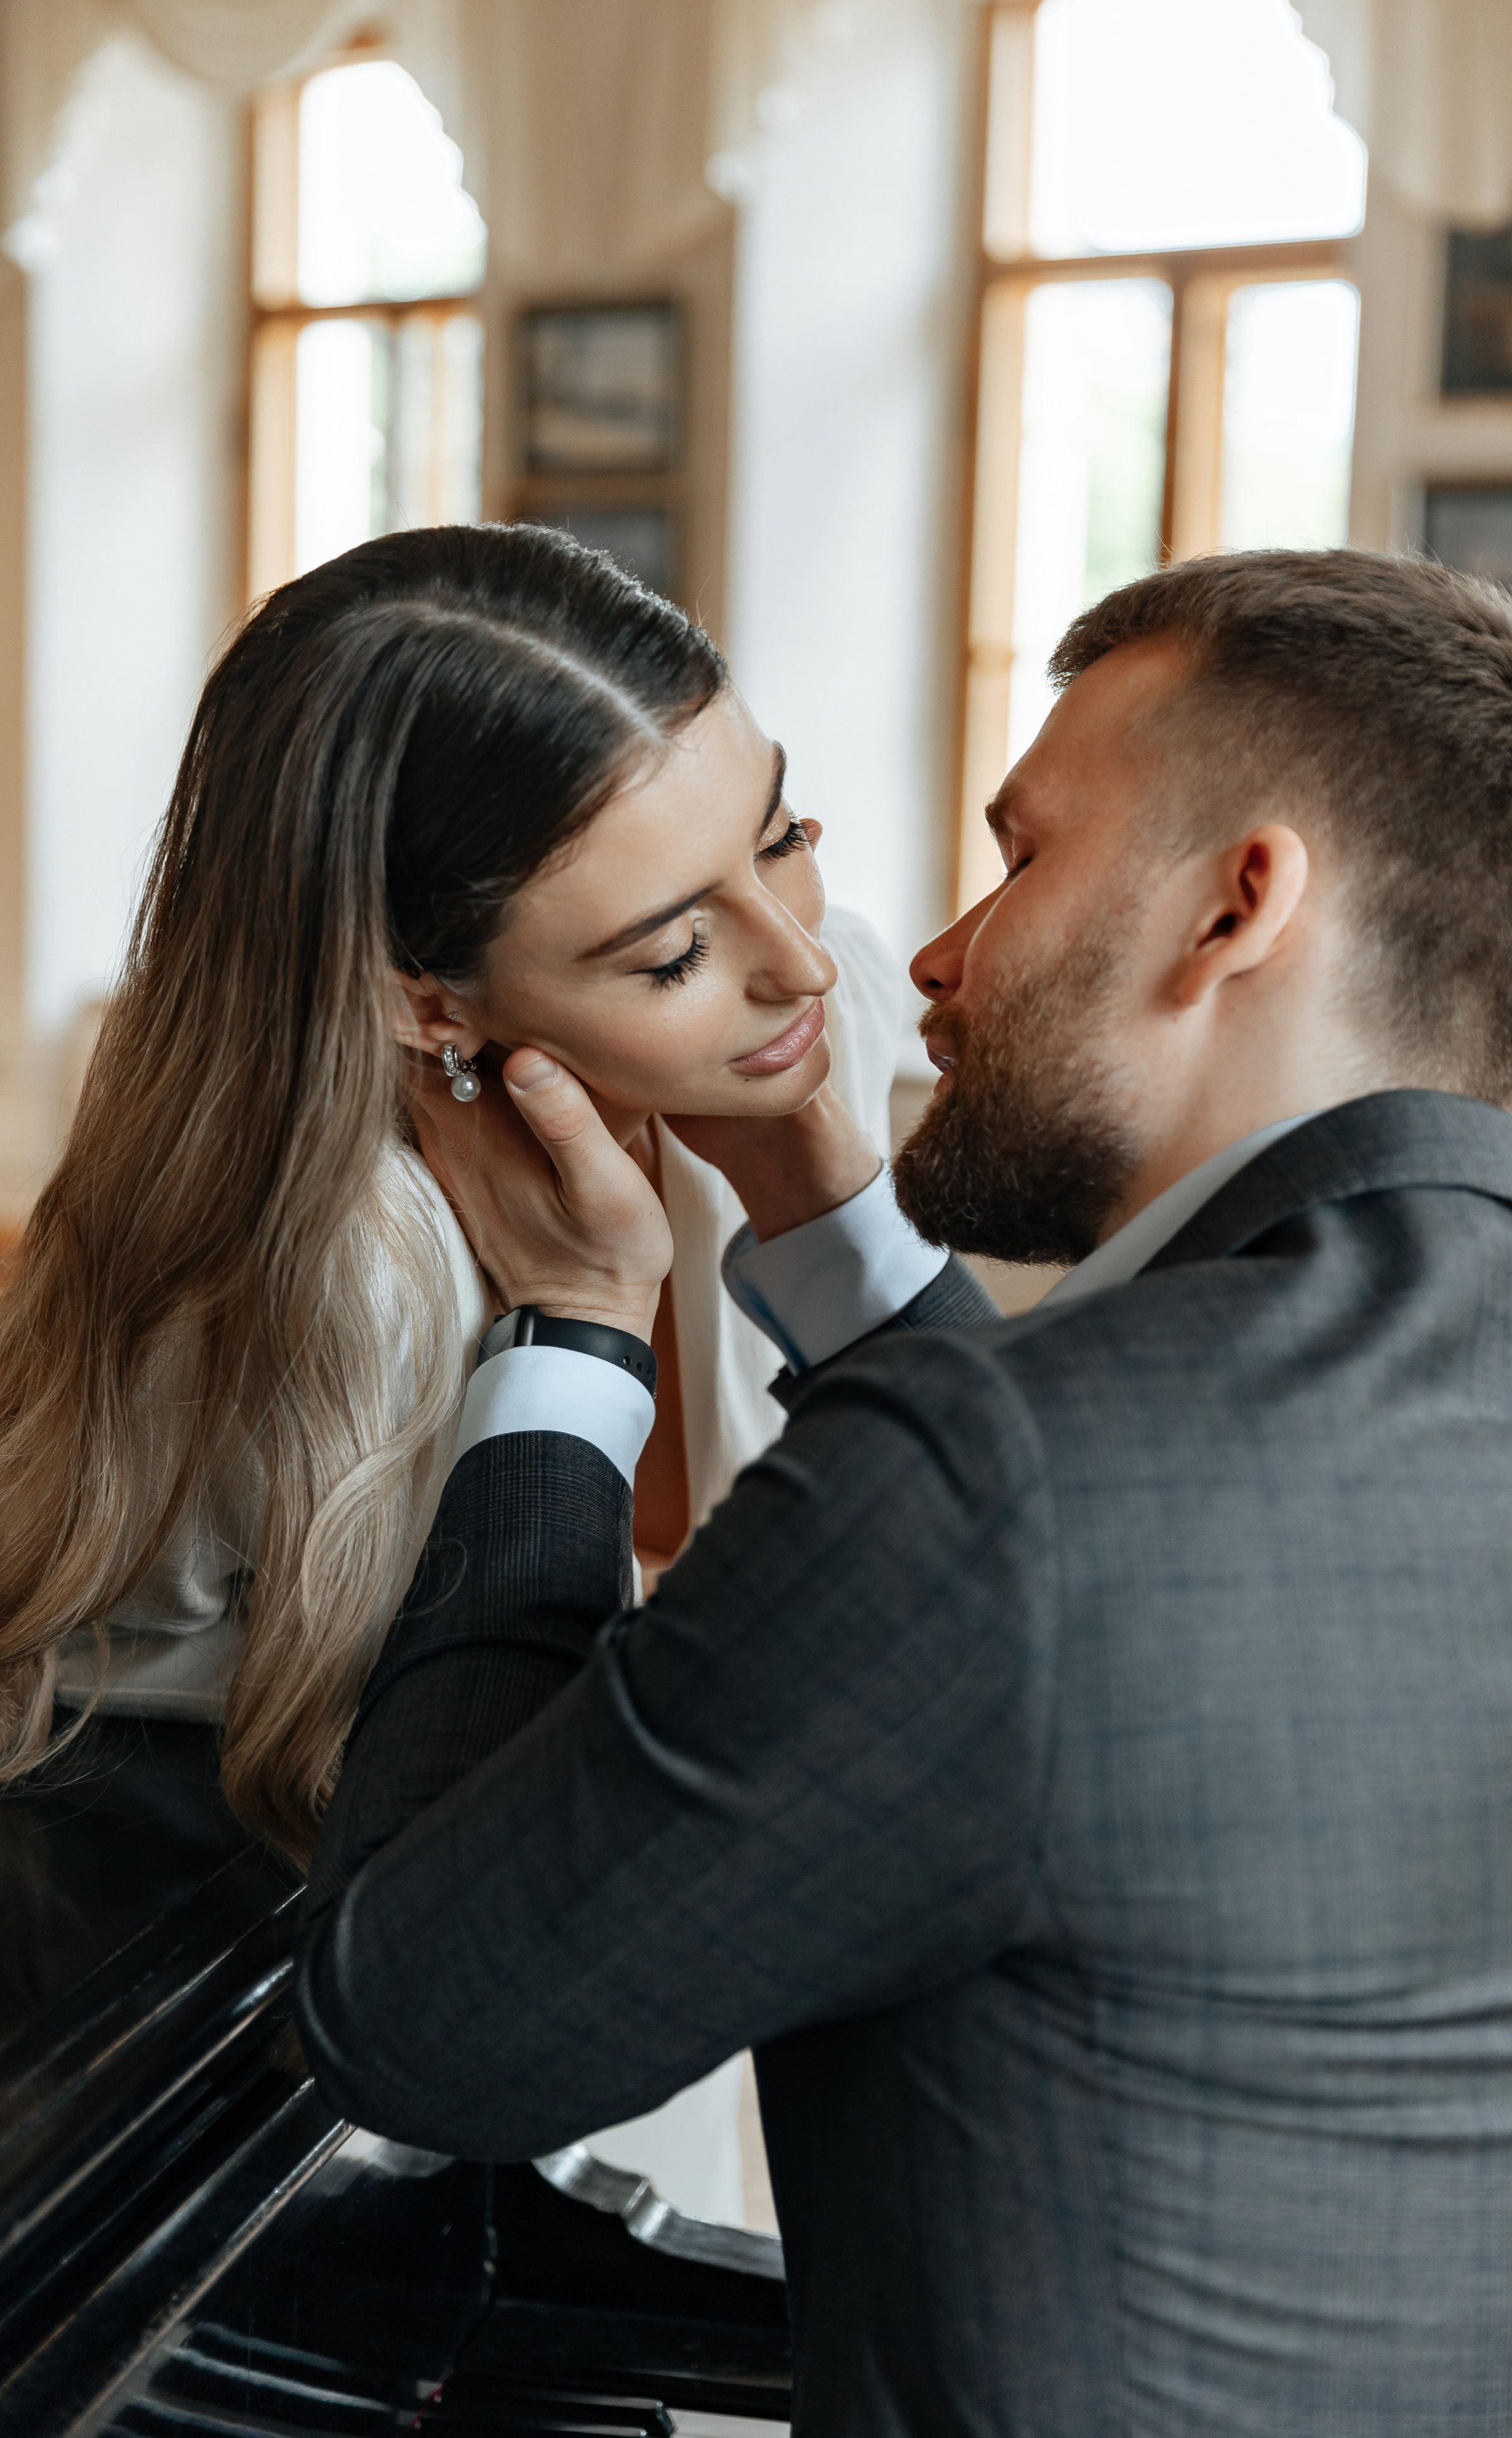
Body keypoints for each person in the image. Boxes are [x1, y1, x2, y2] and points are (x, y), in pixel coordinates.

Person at [303, 543, 1512, 2435]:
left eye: (1022, 861)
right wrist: (815, 1201)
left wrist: (577, 1331)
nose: (926, 960)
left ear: (1241, 906)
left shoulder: (997, 1492)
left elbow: (417, 2023)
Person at [0, 521, 901, 2224]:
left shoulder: (806, 996)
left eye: (778, 831)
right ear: (432, 1008)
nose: (790, 954)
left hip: (660, 1944)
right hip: (345, 2068)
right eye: (668, 953)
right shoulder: (329, 1277)